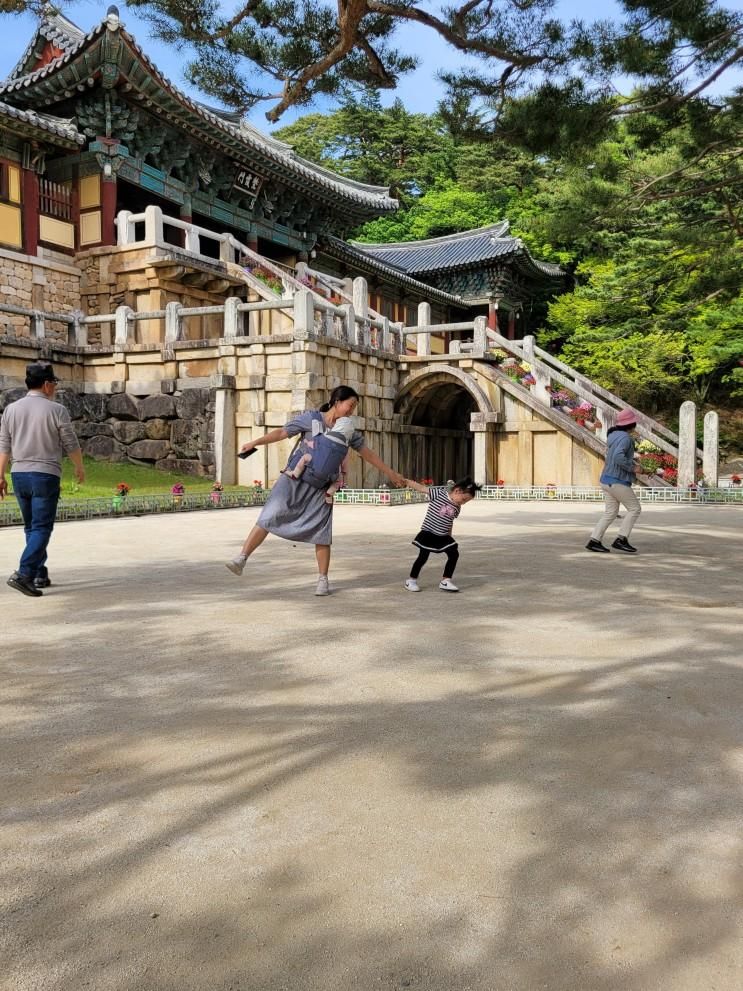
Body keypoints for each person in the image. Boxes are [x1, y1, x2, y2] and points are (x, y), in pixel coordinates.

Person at [226, 386, 405, 595]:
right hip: (294, 478)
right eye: (351, 405)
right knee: (269, 515)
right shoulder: (311, 419)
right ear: (337, 402)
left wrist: (391, 473)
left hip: (321, 488)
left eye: (354, 407)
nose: (352, 410)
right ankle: (242, 558)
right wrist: (255, 442)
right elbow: (282, 432)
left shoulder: (348, 432)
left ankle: (323, 580)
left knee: (321, 532)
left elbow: (368, 454)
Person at [0, 362, 85, 597]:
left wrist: (0, 475)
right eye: (54, 383)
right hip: (45, 475)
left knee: (31, 527)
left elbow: (4, 445)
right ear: (47, 385)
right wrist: (79, 467)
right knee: (41, 528)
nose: (55, 387)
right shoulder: (56, 410)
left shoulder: (11, 409)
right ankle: (24, 573)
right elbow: (71, 443)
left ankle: (39, 572)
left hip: (19, 474)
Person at [402, 476, 482, 592]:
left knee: (454, 553)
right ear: (457, 490)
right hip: (428, 533)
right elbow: (421, 488)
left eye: (466, 502)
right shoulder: (439, 494)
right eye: (464, 499)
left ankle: (446, 581)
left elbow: (450, 522)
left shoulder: (457, 507)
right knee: (422, 557)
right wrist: (406, 481)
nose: (463, 503)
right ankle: (411, 581)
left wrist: (449, 536)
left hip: (443, 535)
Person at [586, 408, 641, 554]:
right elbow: (618, 457)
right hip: (617, 480)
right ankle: (621, 539)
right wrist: (633, 468)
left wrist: (633, 464)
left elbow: (616, 455)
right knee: (635, 509)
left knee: (610, 512)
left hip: (606, 479)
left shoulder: (614, 435)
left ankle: (594, 541)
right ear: (632, 424)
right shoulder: (626, 438)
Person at [283, 414, 355, 504]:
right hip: (329, 475)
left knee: (305, 457)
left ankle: (295, 474)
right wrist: (343, 475)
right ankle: (329, 494)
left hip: (313, 468)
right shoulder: (345, 448)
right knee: (339, 480)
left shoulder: (325, 436)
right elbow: (344, 465)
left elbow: (313, 445)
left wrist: (306, 442)